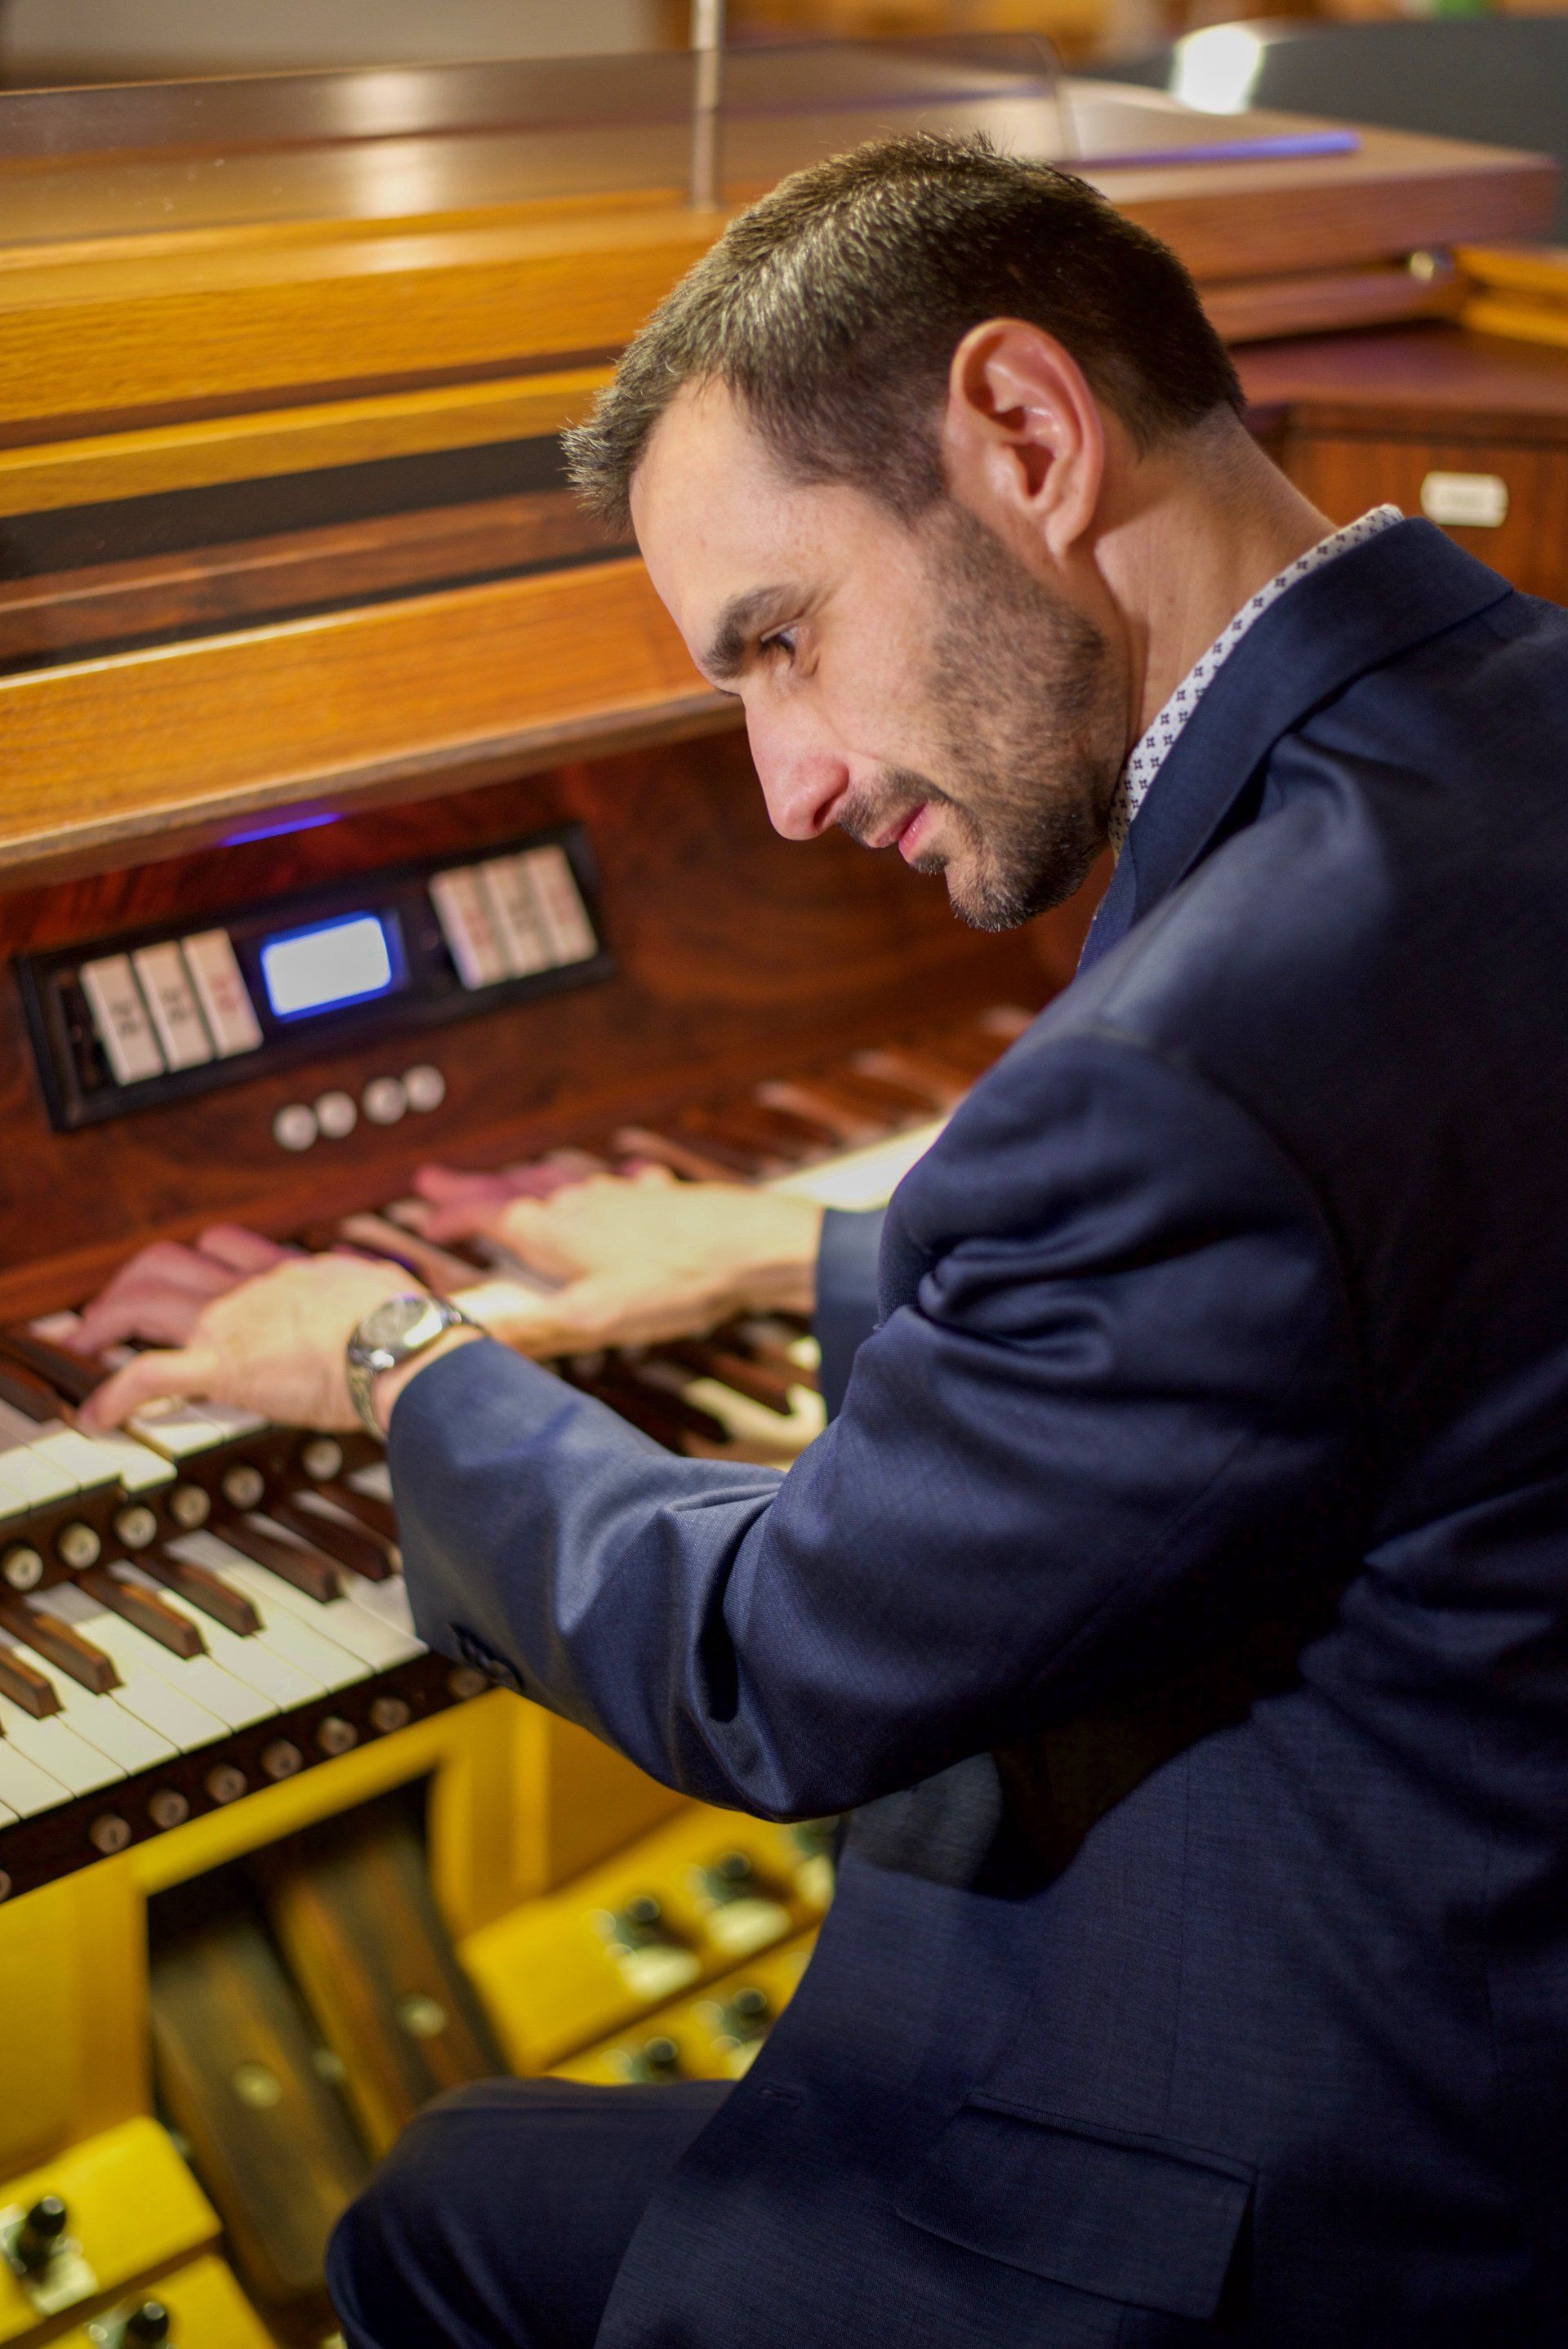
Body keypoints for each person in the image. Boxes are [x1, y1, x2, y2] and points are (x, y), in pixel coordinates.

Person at [77, 132, 1568, 2347]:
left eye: (783, 641)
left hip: (1324, 2212)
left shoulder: (1192, 1062)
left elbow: (774, 1663)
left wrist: (406, 1353)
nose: (783, 787)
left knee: (445, 2205)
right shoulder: (1494, 715)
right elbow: (1349, 1262)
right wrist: (787, 1253)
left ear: (1029, 435)